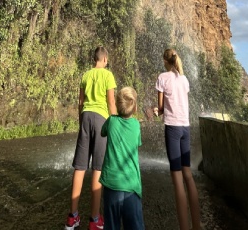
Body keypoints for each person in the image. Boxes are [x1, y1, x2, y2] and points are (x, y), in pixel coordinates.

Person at [65, 46, 117, 230]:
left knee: (80, 167)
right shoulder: (108, 75)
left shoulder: (85, 75)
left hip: (86, 117)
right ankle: (94, 219)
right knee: (98, 168)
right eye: (107, 60)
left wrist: (81, 122)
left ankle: (72, 217)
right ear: (104, 60)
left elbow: (80, 102)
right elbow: (111, 101)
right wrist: (116, 124)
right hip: (101, 119)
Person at [154, 48, 201, 230]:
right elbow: (181, 102)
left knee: (177, 181)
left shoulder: (163, 78)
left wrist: (152, 110)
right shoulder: (184, 79)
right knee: (188, 176)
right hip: (185, 128)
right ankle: (196, 226)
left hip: (172, 129)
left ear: (165, 61)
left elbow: (162, 108)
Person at [100, 86, 145, 230]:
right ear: (135, 108)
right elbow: (137, 143)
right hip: (131, 186)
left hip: (111, 186)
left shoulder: (111, 121)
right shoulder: (136, 125)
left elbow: (102, 132)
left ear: (117, 105)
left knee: (111, 225)